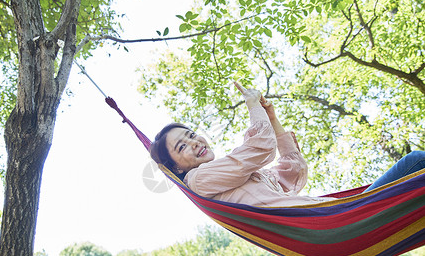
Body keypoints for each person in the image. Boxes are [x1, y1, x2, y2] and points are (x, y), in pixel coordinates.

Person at [150, 82, 425, 207]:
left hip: (330, 216)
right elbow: (261, 148)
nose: (194, 141)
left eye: (191, 134)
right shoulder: (199, 179)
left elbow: (292, 174)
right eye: (182, 146)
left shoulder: (239, 177)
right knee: (415, 162)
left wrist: (272, 117)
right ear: (175, 166)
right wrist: (252, 104)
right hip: (326, 226)